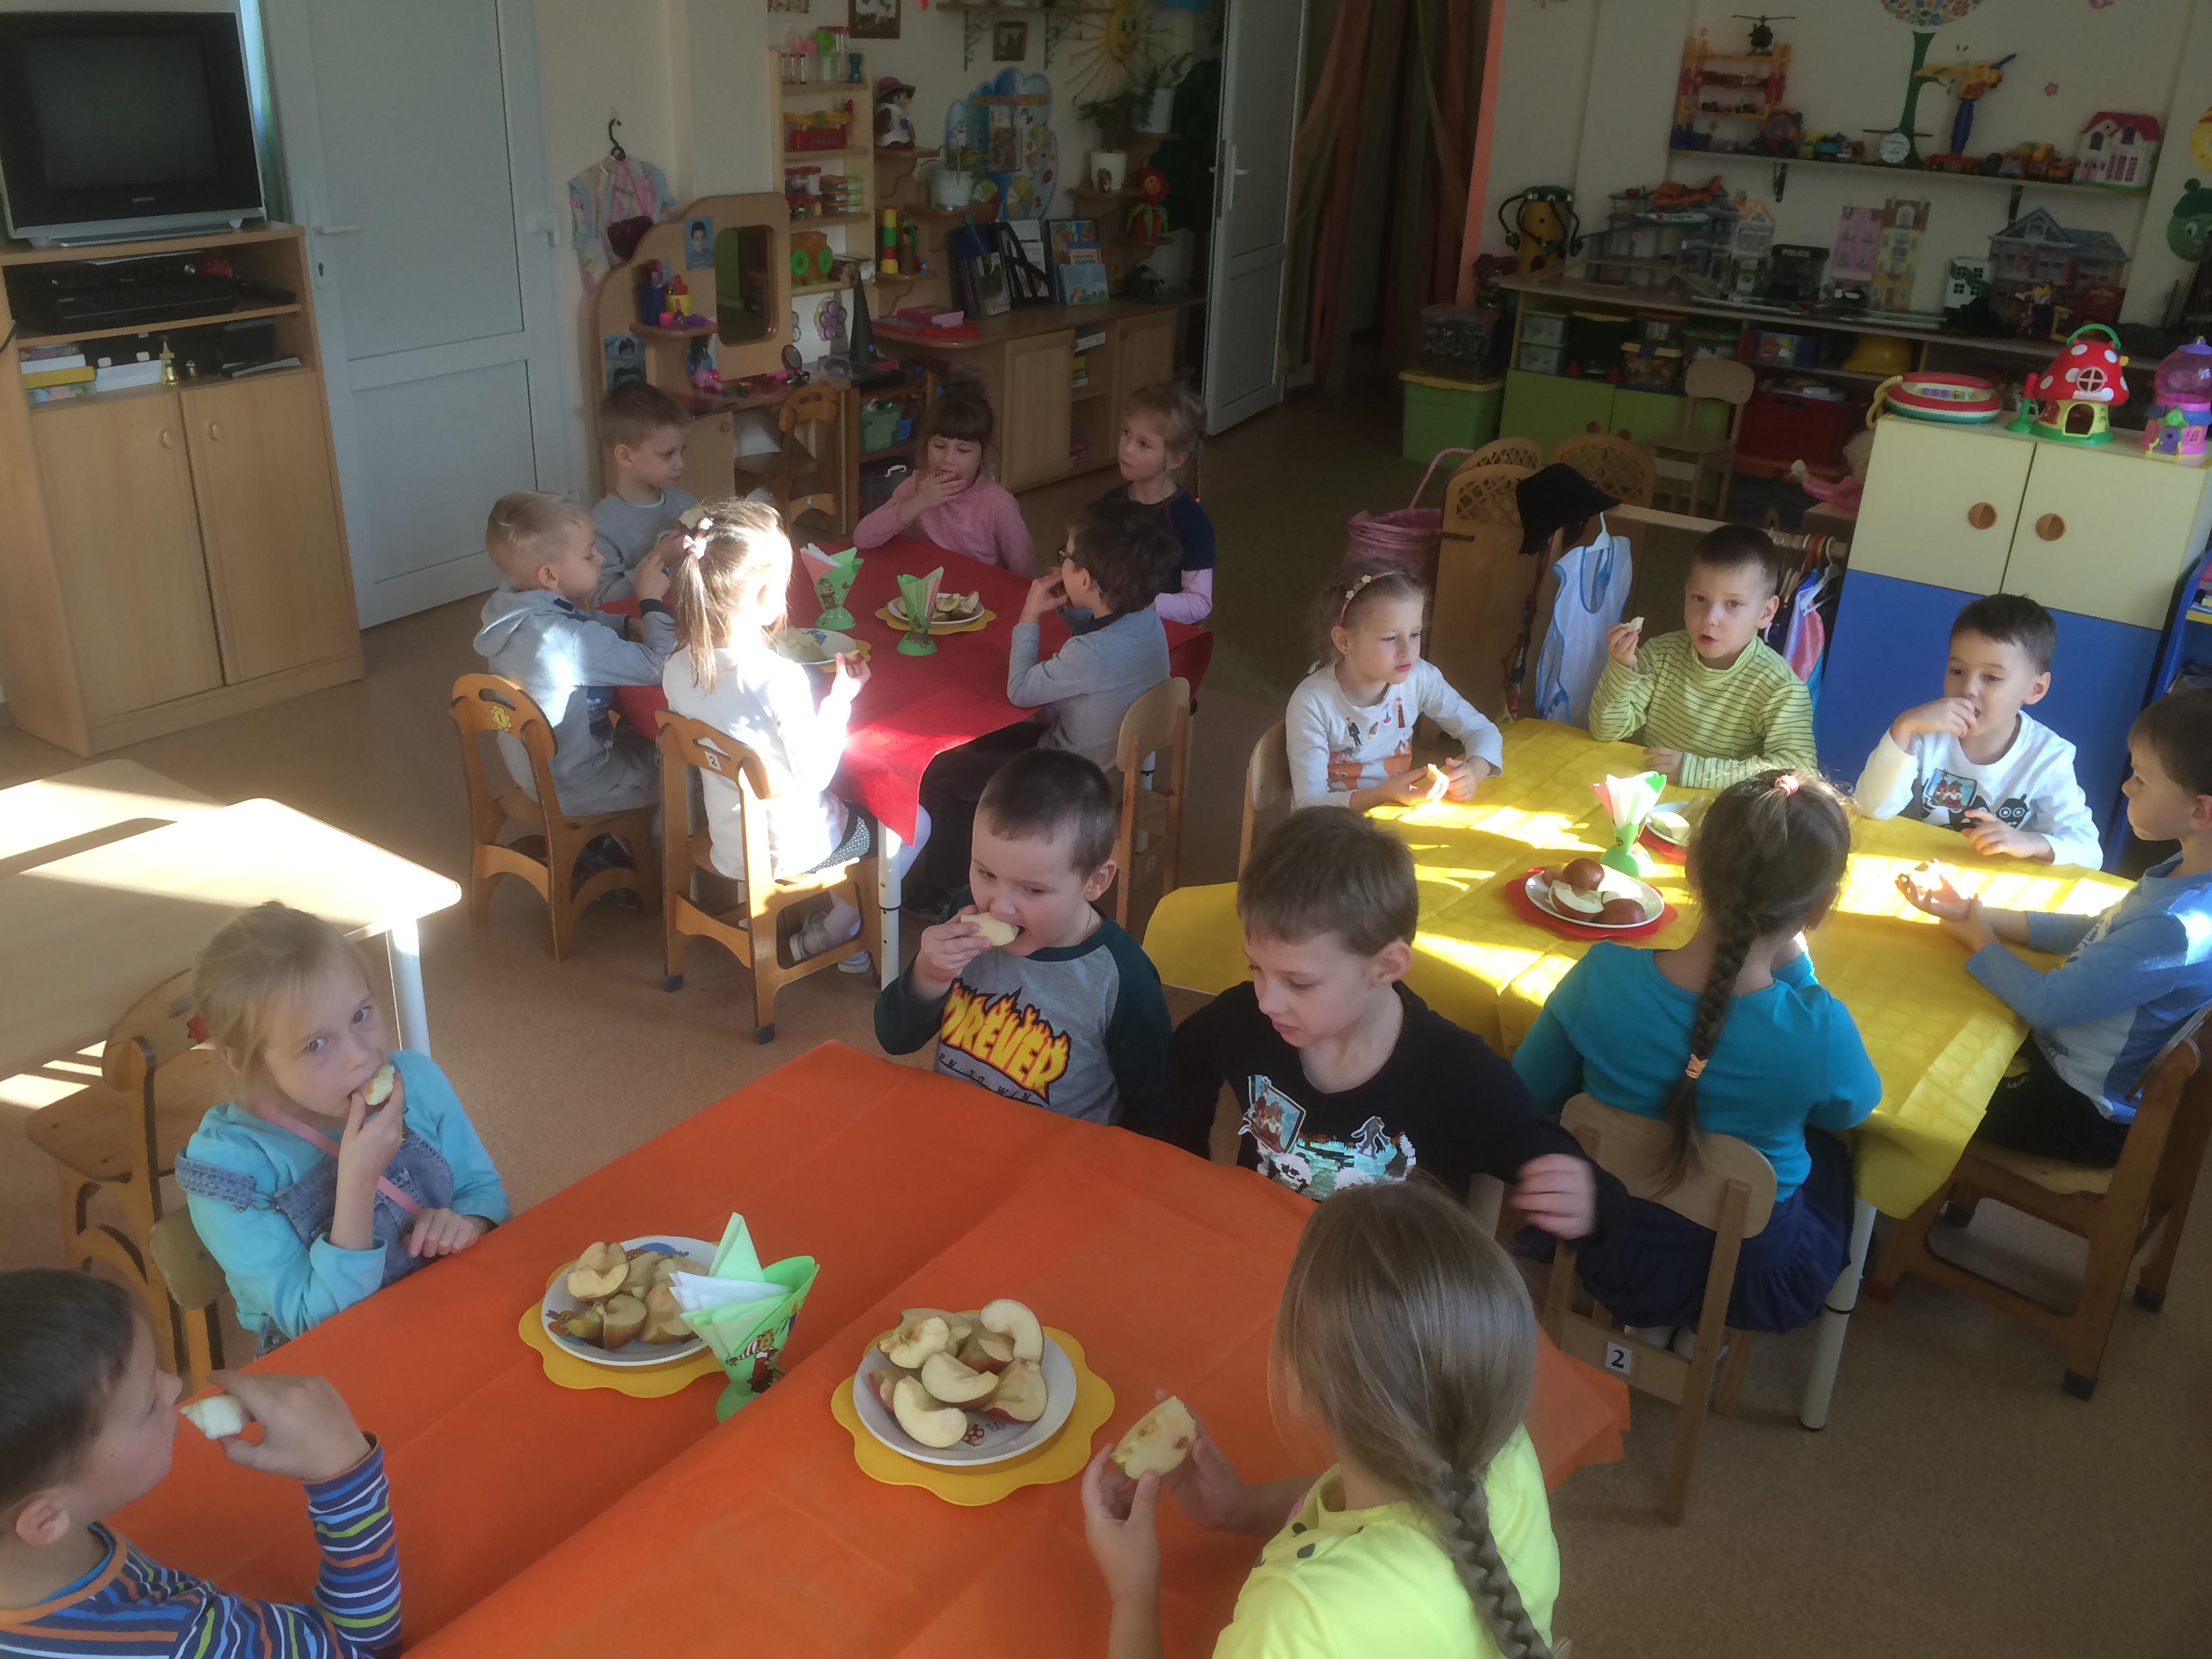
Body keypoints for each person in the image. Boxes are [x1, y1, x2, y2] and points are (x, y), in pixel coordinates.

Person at [1081, 1181, 1561, 1659]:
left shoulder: (1294, 1622)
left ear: (1303, 1383)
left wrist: (1132, 1593)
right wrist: (1243, 1508)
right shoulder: (1505, 1445)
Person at [1512, 771, 1880, 1346]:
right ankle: (1703, 1328)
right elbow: (1851, 1111)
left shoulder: (1600, 975)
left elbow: (1528, 1092)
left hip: (1610, 1225)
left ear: (1691, 869)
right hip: (1743, 1264)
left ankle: (1651, 1305)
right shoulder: (1820, 1029)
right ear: (1819, 908)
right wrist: (1800, 975)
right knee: (1834, 1162)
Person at [1151, 809, 1602, 1228]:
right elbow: (1188, 1058)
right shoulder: (1242, 1019)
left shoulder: (1457, 1074)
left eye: (1298, 983)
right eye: (1257, 968)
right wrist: (1186, 1161)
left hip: (1388, 1287)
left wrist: (1586, 1199)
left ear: (1385, 967)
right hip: (1257, 1258)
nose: (1267, 1001)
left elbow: (1547, 1156)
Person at [0, 1270, 401, 1657]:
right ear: (46, 1520)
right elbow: (361, 1648)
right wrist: (344, 1474)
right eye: (149, 1405)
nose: (176, 1386)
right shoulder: (181, 1642)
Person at [1898, 687, 2212, 1167]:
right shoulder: (2186, 873)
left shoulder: (2177, 927)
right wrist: (1980, 913)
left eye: (2142, 779)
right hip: (2058, 1066)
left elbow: (2048, 1006)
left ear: (2201, 811)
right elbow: (2103, 929)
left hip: (2075, 1109)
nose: (2126, 788)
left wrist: (1980, 939)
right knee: (1935, 1015)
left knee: (1910, 1079)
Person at [176, 905, 510, 1352]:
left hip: (447, 1308)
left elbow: (483, 1190)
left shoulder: (418, 1080)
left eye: (361, 1015)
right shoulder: (231, 1173)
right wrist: (356, 1185)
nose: (359, 1055)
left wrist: (469, 1223)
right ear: (246, 1062)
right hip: (338, 1358)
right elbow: (316, 1330)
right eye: (315, 1044)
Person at [876, 748, 1171, 1128]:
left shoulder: (1122, 980)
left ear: (1095, 882)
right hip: (953, 1135)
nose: (1000, 907)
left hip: (1055, 1159)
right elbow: (894, 1038)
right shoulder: (965, 912)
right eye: (986, 873)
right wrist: (928, 975)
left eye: (1033, 890)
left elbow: (1157, 1110)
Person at [910, 497, 1176, 901]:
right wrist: (1071, 606)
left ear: (1085, 580)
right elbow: (1100, 630)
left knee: (942, 775)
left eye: (1067, 557)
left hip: (1074, 779)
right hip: (1110, 765)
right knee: (976, 743)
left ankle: (945, 891)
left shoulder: (1090, 654)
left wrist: (1030, 615)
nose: (1061, 564)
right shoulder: (1147, 620)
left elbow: (1020, 690)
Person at [662, 500, 879, 972]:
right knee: (905, 825)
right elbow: (815, 776)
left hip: (730, 843)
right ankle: (839, 930)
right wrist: (840, 701)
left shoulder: (676, 668)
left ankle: (833, 934)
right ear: (763, 596)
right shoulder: (777, 678)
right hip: (791, 849)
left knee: (837, 810)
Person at [1855, 593, 2102, 867]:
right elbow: (1871, 808)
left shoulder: (2048, 757)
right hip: (1913, 868)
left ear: (2035, 689)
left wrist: (2030, 842)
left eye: (1991, 677)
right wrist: (1903, 728)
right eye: (1957, 671)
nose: (1968, 688)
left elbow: (2090, 853)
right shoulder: (1922, 732)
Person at [473, 489, 675, 818]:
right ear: (549, 575)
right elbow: (660, 666)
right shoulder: (569, 642)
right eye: (588, 555)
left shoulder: (512, 606)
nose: (601, 559)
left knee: (647, 740)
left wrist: (624, 624)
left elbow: (575, 619)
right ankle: (641, 845)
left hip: (542, 771)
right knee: (689, 770)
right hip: (581, 784)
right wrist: (651, 602)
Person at [1588, 524, 1817, 787]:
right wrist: (1622, 668)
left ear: (1766, 612)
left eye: (1733, 604)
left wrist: (1694, 771)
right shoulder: (1661, 654)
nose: (1710, 619)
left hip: (1726, 808)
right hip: (1651, 798)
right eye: (1699, 598)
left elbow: (1799, 771)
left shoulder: (1780, 687)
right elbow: (1606, 731)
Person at [1288, 562, 1504, 811]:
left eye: (1415, 634)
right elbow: (1309, 804)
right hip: (1331, 825)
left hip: (1390, 815)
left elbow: (1481, 729)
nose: (1407, 652)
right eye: (1390, 638)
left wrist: (1475, 771)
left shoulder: (1420, 678)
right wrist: (1384, 794)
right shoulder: (1312, 703)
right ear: (1345, 641)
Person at [851, 383, 1033, 574]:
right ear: (926, 446)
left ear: (983, 454)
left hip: (980, 589)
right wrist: (916, 503)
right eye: (939, 447)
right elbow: (862, 538)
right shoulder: (918, 485)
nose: (948, 460)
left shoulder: (998, 504)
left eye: (963, 450)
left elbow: (1024, 572)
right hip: (933, 584)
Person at [1099, 380, 1214, 625]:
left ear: (1176, 459)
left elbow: (1200, 602)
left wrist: (1144, 604)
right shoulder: (1109, 503)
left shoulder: (1192, 521)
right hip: (1113, 627)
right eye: (1126, 432)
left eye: (1143, 444)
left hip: (1163, 634)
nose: (1127, 449)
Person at [592, 382, 697, 602]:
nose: (681, 464)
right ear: (626, 456)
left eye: (682, 451)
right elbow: (603, 600)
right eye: (667, 455)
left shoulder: (685, 502)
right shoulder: (602, 525)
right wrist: (659, 559)